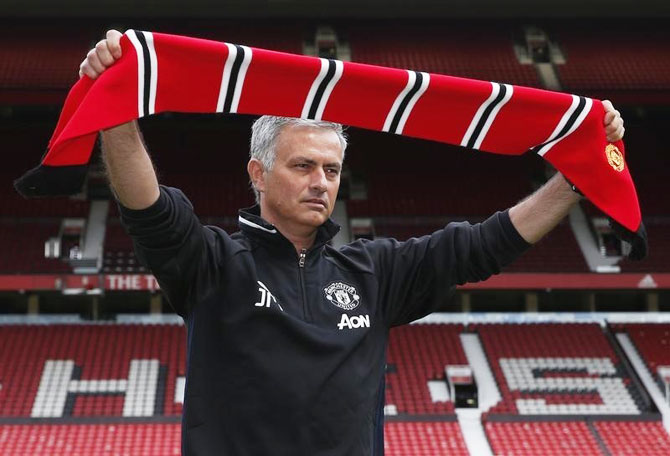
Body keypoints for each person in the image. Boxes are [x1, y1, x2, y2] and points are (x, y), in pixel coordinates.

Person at [81, 30, 625, 456]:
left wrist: (576, 180)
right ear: (259, 173)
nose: (321, 181)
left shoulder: (373, 271)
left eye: (332, 169)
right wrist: (115, 110)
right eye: (303, 166)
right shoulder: (213, 263)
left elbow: (483, 245)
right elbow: (147, 209)